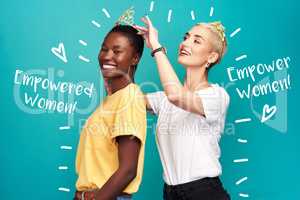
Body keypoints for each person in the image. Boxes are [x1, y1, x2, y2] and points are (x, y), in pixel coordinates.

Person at [134, 17, 231, 199]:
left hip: (204, 192)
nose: (185, 43)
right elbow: (125, 100)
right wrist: (122, 54)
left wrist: (156, 47)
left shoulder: (217, 96)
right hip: (171, 193)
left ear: (211, 57)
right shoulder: (164, 101)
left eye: (196, 40)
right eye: (186, 37)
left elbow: (176, 95)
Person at [74, 24, 146, 200]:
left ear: (135, 58)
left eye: (116, 51)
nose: (106, 56)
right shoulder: (112, 99)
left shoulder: (129, 97)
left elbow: (128, 169)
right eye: (104, 49)